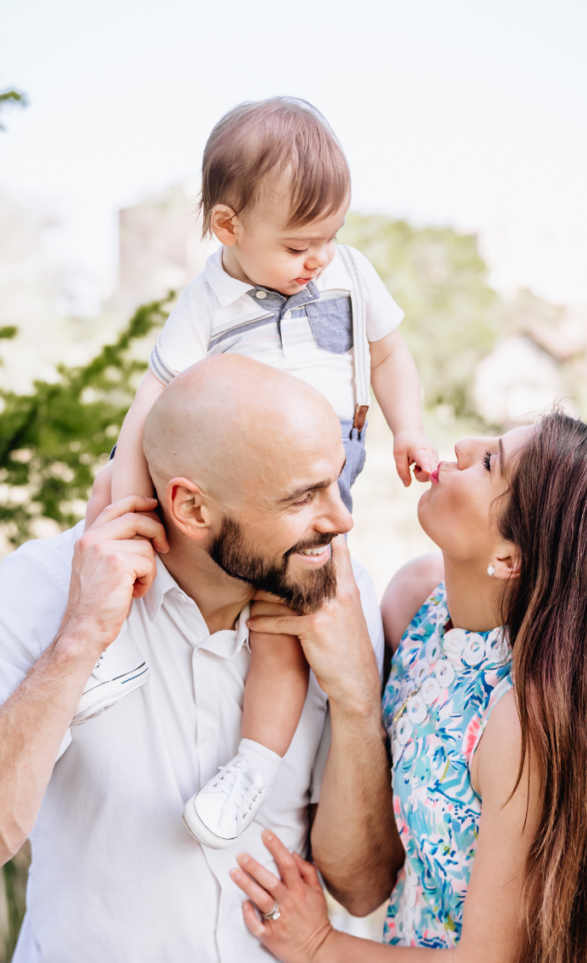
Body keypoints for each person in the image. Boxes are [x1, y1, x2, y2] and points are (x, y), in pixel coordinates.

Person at [0, 355, 404, 963]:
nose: (341, 519)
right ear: (190, 505)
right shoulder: (48, 588)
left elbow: (362, 890)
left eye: (337, 482)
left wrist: (359, 701)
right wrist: (78, 639)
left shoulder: (339, 595)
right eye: (302, 496)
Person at [231, 412, 587, 963]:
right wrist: (353, 697)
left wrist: (318, 945)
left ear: (509, 558)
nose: (462, 446)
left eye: (490, 462)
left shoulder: (524, 723)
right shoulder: (414, 605)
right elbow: (375, 866)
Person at [80, 96, 440, 850]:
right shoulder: (208, 294)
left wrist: (408, 425)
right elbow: (156, 396)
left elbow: (388, 354)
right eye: (300, 244)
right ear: (228, 228)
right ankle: (104, 658)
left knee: (286, 619)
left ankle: (253, 766)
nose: (319, 260)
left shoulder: (348, 274)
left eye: (333, 237)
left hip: (323, 466)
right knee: (134, 531)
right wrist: (125, 485)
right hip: (234, 467)